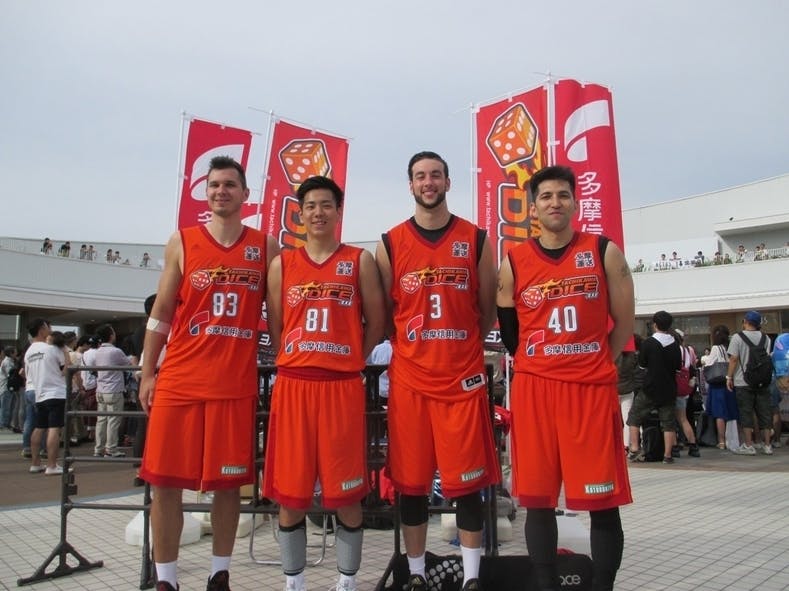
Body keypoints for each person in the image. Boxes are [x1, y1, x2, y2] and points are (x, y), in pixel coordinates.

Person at [138, 156, 279, 591]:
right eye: (214, 184)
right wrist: (147, 371)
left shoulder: (267, 246)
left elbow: (280, 318)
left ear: (246, 194)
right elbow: (162, 312)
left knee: (227, 486)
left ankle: (220, 574)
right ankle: (167, 580)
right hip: (179, 379)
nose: (221, 191)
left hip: (233, 384)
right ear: (205, 192)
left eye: (230, 184)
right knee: (165, 484)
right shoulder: (182, 241)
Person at [496, 165, 634, 591]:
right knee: (537, 500)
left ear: (575, 202)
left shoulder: (603, 251)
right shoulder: (514, 261)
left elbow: (624, 322)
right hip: (536, 390)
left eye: (562, 195)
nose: (554, 202)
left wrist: (596, 359)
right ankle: (545, 584)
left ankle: (603, 585)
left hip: (589, 390)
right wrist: (541, 363)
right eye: (546, 196)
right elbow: (511, 332)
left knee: (602, 501)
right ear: (532, 208)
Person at [375, 151, 498, 591]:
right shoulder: (390, 243)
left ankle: (471, 577)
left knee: (467, 483)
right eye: (420, 176)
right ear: (410, 185)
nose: (428, 182)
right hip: (411, 381)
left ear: (448, 182)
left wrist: (457, 346)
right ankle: (416, 574)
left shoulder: (476, 239)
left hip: (460, 380)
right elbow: (385, 316)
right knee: (411, 484)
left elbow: (486, 311)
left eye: (436, 175)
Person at [264, 175, 385, 591]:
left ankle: (347, 580)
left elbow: (377, 321)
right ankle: (294, 581)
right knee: (290, 495)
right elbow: (278, 327)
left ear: (338, 211)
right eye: (311, 206)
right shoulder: (282, 265)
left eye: (326, 205)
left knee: (347, 493)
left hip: (341, 387)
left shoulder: (358, 261)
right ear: (300, 214)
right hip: (294, 385)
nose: (318, 212)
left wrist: (351, 357)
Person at [627, 311, 681, 464]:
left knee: (634, 417)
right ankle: (668, 455)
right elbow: (678, 368)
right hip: (669, 388)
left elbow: (642, 365)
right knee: (668, 423)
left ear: (655, 325)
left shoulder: (648, 343)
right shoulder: (675, 344)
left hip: (650, 388)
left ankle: (634, 449)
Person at [24, 320, 70, 475]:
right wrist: (65, 352)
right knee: (54, 428)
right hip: (55, 392)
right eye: (47, 327)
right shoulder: (52, 349)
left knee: (39, 427)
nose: (50, 330)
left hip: (39, 393)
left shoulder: (29, 352)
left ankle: (35, 463)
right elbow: (66, 370)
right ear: (41, 329)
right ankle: (52, 465)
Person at [727, 310, 773, 455]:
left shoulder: (737, 337)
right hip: (763, 380)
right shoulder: (766, 338)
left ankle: (748, 445)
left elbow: (734, 359)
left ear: (745, 322)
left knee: (746, 413)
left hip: (743, 381)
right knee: (765, 412)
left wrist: (729, 377)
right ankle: (767, 445)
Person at [92, 323, 130, 458]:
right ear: (110, 335)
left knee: (101, 421)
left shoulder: (97, 352)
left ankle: (98, 449)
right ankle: (111, 449)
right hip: (114, 390)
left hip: (100, 390)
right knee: (113, 421)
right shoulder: (115, 351)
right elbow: (128, 364)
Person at [702, 325, 737, 449]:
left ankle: (721, 441)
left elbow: (709, 363)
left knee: (720, 413)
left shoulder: (716, 348)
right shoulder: (730, 346)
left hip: (718, 384)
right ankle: (733, 438)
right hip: (730, 382)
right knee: (731, 411)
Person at [673, 329, 700, 458]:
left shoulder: (673, 350)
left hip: (673, 387)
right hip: (684, 388)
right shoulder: (686, 351)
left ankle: (674, 447)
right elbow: (691, 368)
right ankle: (693, 446)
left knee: (670, 420)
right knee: (683, 419)